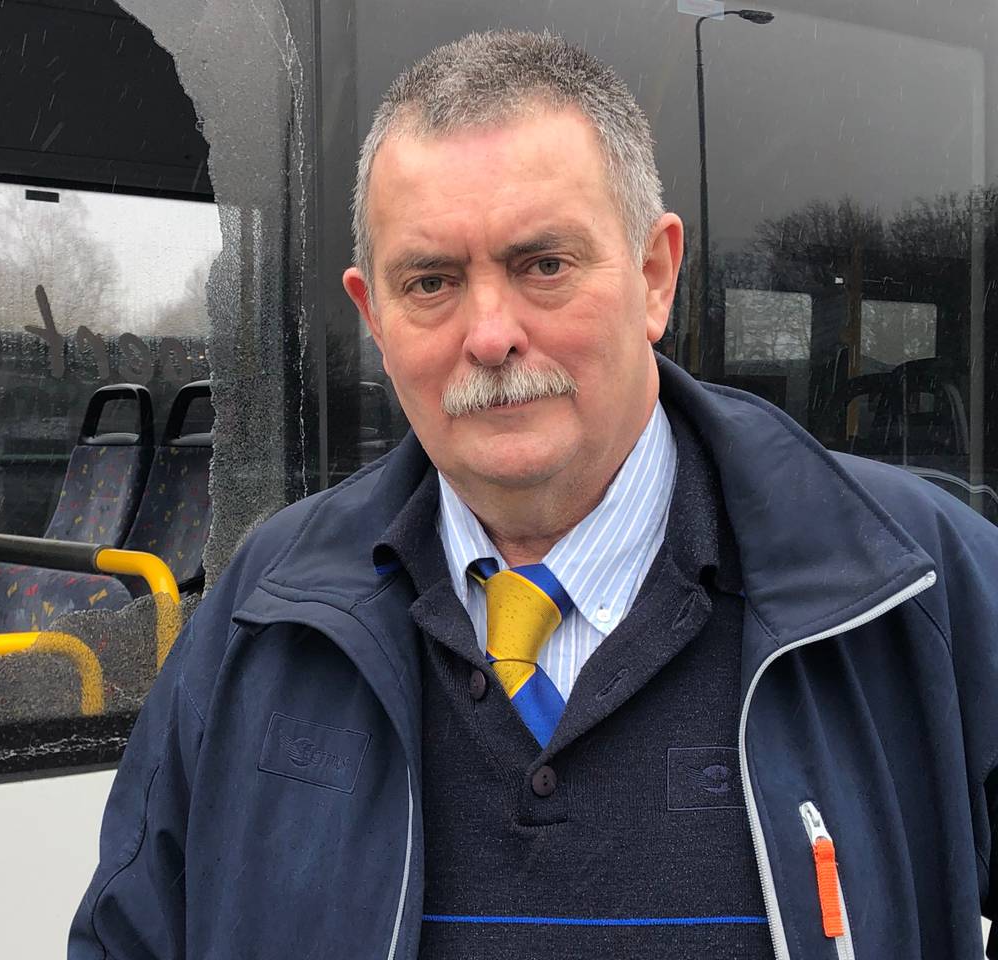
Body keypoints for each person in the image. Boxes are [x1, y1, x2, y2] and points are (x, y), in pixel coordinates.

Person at [69, 30, 997, 959]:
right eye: (430, 282)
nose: (489, 335)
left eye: (543, 265)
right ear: (374, 318)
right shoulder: (263, 611)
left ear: (654, 277)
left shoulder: (916, 580)